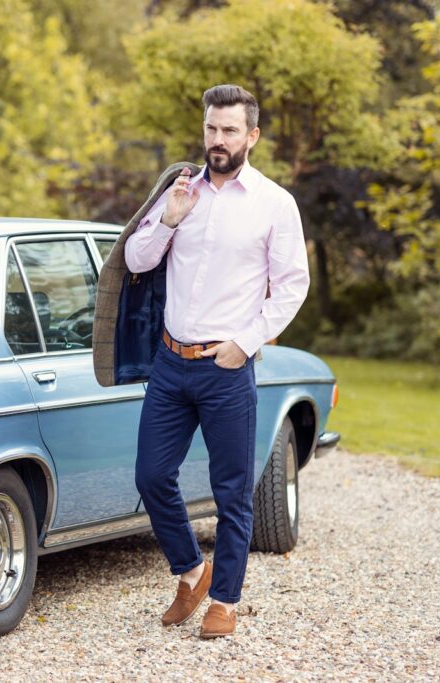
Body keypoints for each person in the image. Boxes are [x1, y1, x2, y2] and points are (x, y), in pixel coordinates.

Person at [125, 84, 310, 638]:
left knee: (232, 491)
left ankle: (224, 601)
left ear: (251, 136)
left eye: (230, 130)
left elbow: (292, 286)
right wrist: (171, 219)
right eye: (211, 128)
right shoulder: (178, 191)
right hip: (170, 363)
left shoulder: (274, 203)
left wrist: (246, 342)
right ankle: (191, 571)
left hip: (226, 367)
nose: (218, 140)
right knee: (151, 476)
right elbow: (136, 258)